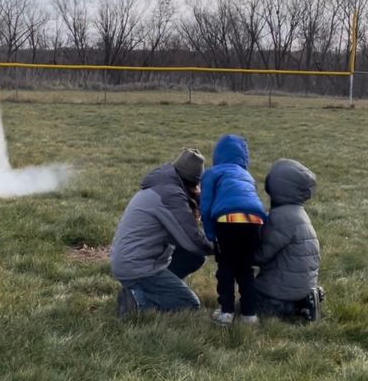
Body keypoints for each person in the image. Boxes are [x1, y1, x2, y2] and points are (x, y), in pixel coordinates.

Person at [111, 148, 213, 314]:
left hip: (131, 259)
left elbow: (187, 242)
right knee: (189, 304)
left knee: (195, 257)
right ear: (193, 183)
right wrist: (221, 246)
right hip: (137, 267)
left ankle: (159, 289)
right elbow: (193, 240)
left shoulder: (163, 185)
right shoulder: (170, 195)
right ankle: (137, 301)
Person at [200, 135, 267, 326]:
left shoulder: (212, 173)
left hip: (227, 220)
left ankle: (226, 311)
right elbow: (254, 200)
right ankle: (249, 314)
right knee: (246, 269)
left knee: (227, 267)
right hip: (255, 221)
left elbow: (205, 207)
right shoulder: (247, 175)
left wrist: (211, 234)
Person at [254, 158, 323, 321]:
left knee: (244, 303)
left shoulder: (282, 218)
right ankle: (302, 305)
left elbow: (261, 256)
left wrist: (236, 252)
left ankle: (286, 308)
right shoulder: (298, 213)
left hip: (277, 295)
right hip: (302, 288)